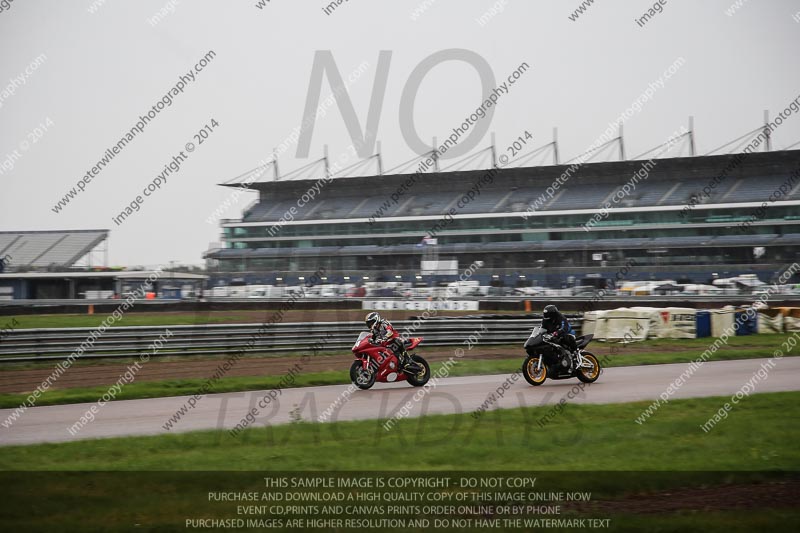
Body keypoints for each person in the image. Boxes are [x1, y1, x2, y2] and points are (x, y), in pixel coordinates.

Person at [541, 304, 578, 371]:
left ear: (553, 314)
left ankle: (575, 355)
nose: (546, 317)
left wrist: (557, 333)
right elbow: (542, 328)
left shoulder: (561, 317)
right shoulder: (545, 320)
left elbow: (564, 328)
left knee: (566, 338)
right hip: (554, 336)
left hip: (567, 333)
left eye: (548, 315)